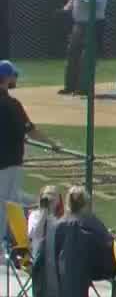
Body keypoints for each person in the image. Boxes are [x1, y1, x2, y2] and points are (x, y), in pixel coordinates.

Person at [2, 61, 60, 207]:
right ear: (7, 78)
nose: (16, 79)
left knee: (10, 198)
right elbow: (31, 131)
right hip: (9, 163)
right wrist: (52, 143)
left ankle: (40, 206)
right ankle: (43, 206)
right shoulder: (11, 104)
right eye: (15, 76)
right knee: (8, 202)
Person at [59, 0, 110, 96]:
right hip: (79, 22)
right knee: (72, 54)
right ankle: (70, 85)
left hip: (94, 23)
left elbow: (96, 1)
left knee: (87, 57)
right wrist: (68, 6)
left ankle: (84, 88)